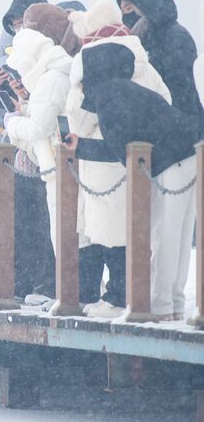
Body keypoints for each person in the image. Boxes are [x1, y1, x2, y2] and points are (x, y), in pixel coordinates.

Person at [65, 43, 201, 321]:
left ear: (93, 74)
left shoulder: (108, 99)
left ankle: (159, 305)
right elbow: (129, 146)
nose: (79, 86)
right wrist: (82, 147)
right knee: (179, 233)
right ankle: (172, 302)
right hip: (190, 151)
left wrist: (82, 148)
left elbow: (122, 152)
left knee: (163, 234)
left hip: (171, 162)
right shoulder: (123, 91)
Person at [66, 0, 171, 318]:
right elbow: (164, 104)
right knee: (135, 228)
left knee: (109, 233)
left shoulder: (87, 61)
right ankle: (136, 295)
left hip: (101, 158)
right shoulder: (141, 59)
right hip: (138, 158)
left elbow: (79, 122)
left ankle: (116, 298)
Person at [2, 26, 73, 304]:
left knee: (61, 231)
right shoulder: (53, 74)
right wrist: (27, 104)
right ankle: (65, 291)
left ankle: (63, 292)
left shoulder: (50, 79)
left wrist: (12, 122)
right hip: (60, 165)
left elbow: (40, 127)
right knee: (61, 231)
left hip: (58, 167)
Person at [119, 0, 204, 117]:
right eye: (122, 10)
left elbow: (182, 91)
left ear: (145, 4)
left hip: (179, 127)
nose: (125, 15)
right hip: (155, 125)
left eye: (128, 7)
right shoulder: (138, 43)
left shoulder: (174, 36)